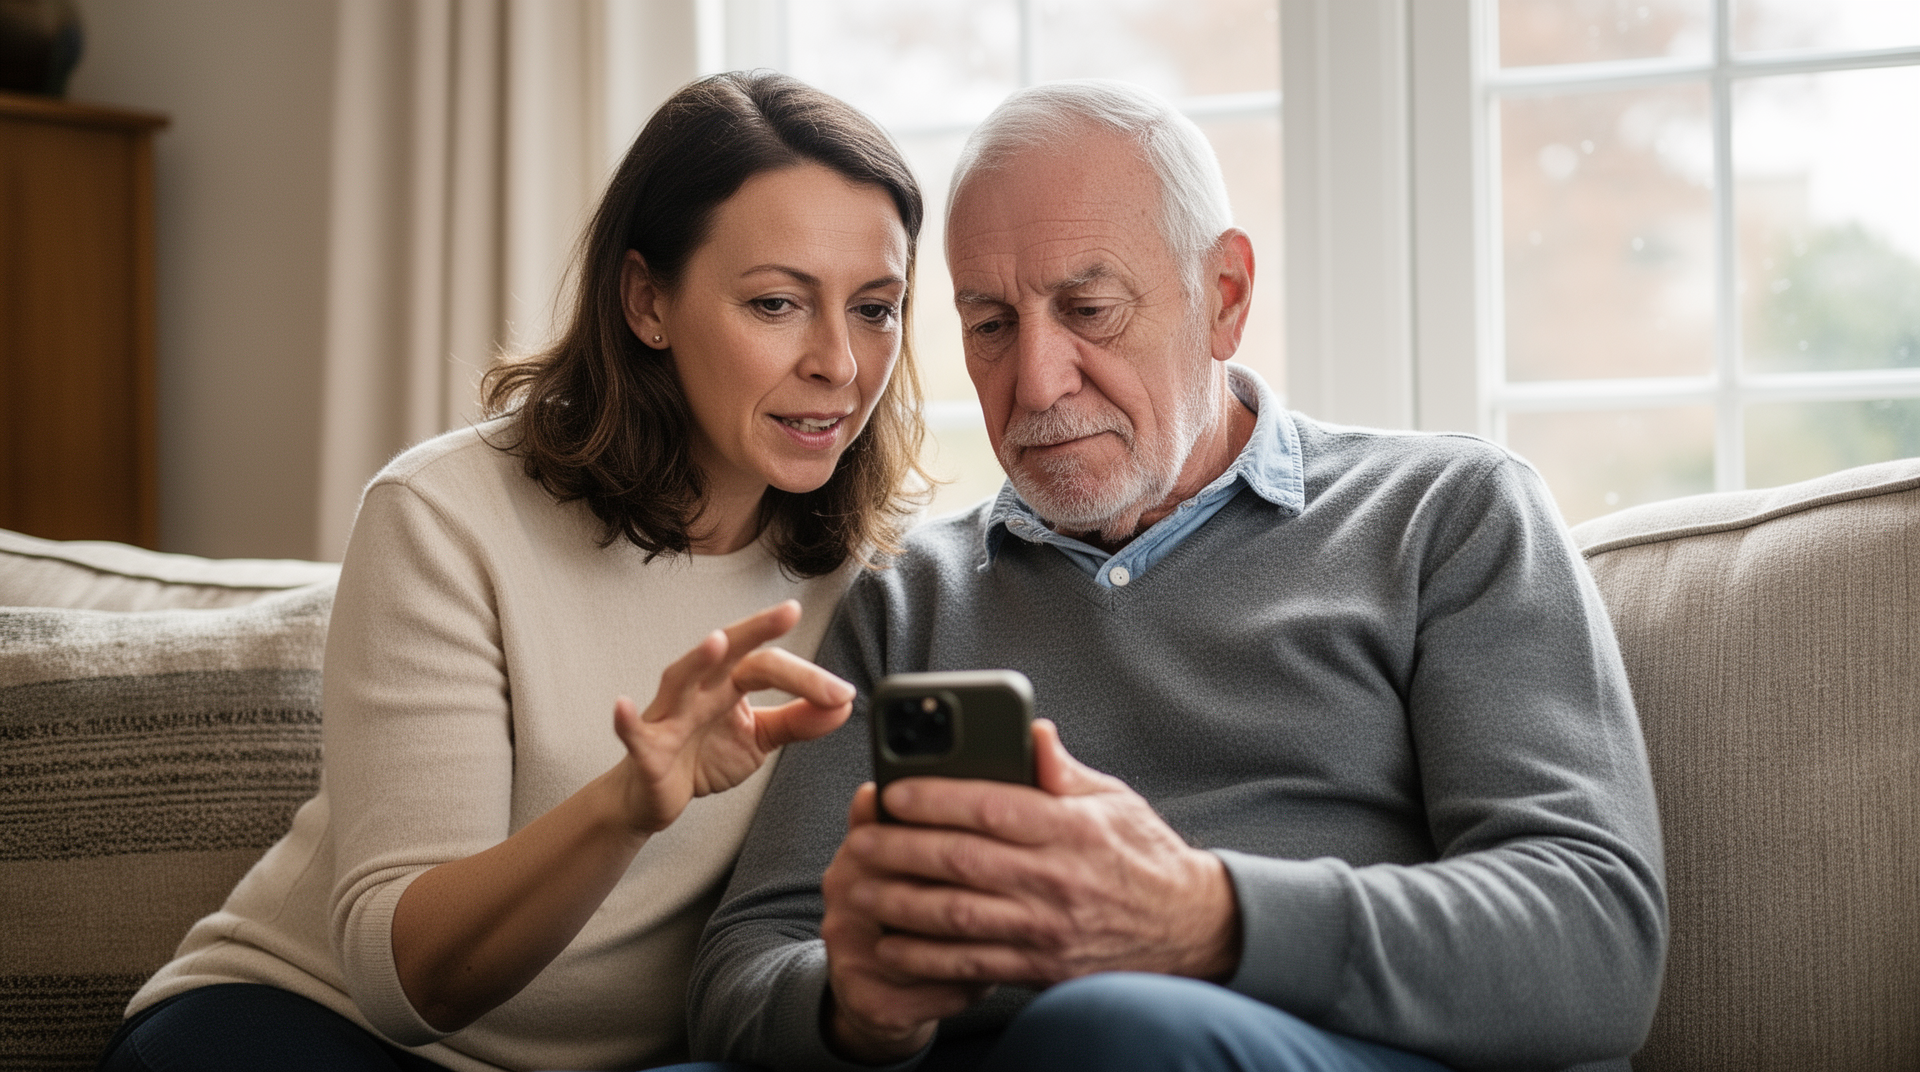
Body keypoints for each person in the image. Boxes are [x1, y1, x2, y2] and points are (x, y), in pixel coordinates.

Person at [688, 79, 1667, 1072]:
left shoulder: (1446, 513)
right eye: (989, 325)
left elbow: (1596, 939)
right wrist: (857, 1009)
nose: (1035, 382)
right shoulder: (909, 594)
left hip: (1306, 1047)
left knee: (1116, 1031)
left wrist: (1204, 917)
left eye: (1090, 308)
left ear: (1225, 298)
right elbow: (743, 963)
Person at [98, 71, 929, 1072]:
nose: (840, 362)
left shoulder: (882, 579)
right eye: (776, 303)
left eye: (876, 309)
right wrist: (628, 802)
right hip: (314, 1026)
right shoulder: (445, 516)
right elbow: (404, 980)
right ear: (646, 301)